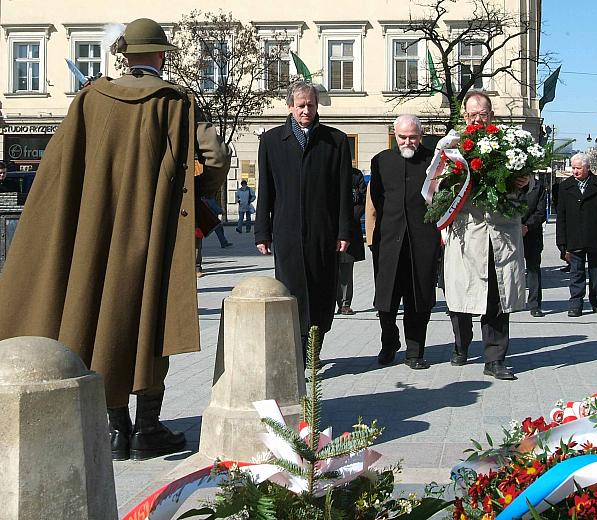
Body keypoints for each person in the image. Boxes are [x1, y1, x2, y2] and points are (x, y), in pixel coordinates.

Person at [0, 18, 231, 461]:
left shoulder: (90, 99)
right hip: (155, 229)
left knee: (102, 313)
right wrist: (194, 191)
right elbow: (216, 157)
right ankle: (148, 429)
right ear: (161, 55)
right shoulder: (176, 101)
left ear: (125, 56)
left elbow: (61, 166)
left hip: (98, 230)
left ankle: (115, 429)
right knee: (152, 316)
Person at [255, 81, 352, 354]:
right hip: (287, 231)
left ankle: (314, 348)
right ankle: (297, 350)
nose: (306, 111)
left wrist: (344, 231)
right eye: (301, 106)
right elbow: (266, 190)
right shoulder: (272, 141)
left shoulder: (335, 141)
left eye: (311, 105)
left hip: (324, 231)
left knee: (322, 289)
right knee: (291, 290)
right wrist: (262, 232)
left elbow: (344, 191)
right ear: (289, 107)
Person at [444, 91, 526, 380]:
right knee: (462, 293)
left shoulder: (509, 144)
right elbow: (438, 186)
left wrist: (525, 181)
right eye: (472, 114)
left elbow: (528, 184)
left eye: (483, 114)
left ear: (491, 115)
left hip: (500, 234)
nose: (477, 119)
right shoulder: (453, 146)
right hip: (467, 234)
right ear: (464, 116)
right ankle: (461, 344)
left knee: (497, 297)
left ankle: (495, 359)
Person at [370, 115, 440, 370]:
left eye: (413, 137)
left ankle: (415, 351)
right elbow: (377, 199)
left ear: (420, 135)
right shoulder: (381, 161)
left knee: (418, 299)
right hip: (388, 240)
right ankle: (389, 343)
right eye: (402, 137)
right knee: (385, 300)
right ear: (394, 135)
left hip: (422, 241)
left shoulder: (433, 161)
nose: (408, 141)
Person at [556, 153, 597, 317]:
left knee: (596, 272)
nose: (575, 171)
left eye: (578, 168)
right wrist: (561, 242)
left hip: (594, 235)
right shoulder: (565, 187)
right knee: (576, 273)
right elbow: (561, 216)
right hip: (574, 237)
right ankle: (575, 304)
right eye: (573, 168)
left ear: (587, 168)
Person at [336, 168, 367, 316]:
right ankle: (326, 304)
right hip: (327, 228)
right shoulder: (326, 170)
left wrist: (348, 220)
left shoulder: (355, 175)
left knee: (346, 269)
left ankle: (344, 303)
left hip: (349, 230)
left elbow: (363, 200)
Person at [521, 175, 547, 317]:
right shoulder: (508, 184)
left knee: (533, 268)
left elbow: (540, 212)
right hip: (510, 231)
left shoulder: (538, 187)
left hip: (532, 233)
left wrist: (527, 226)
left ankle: (534, 304)